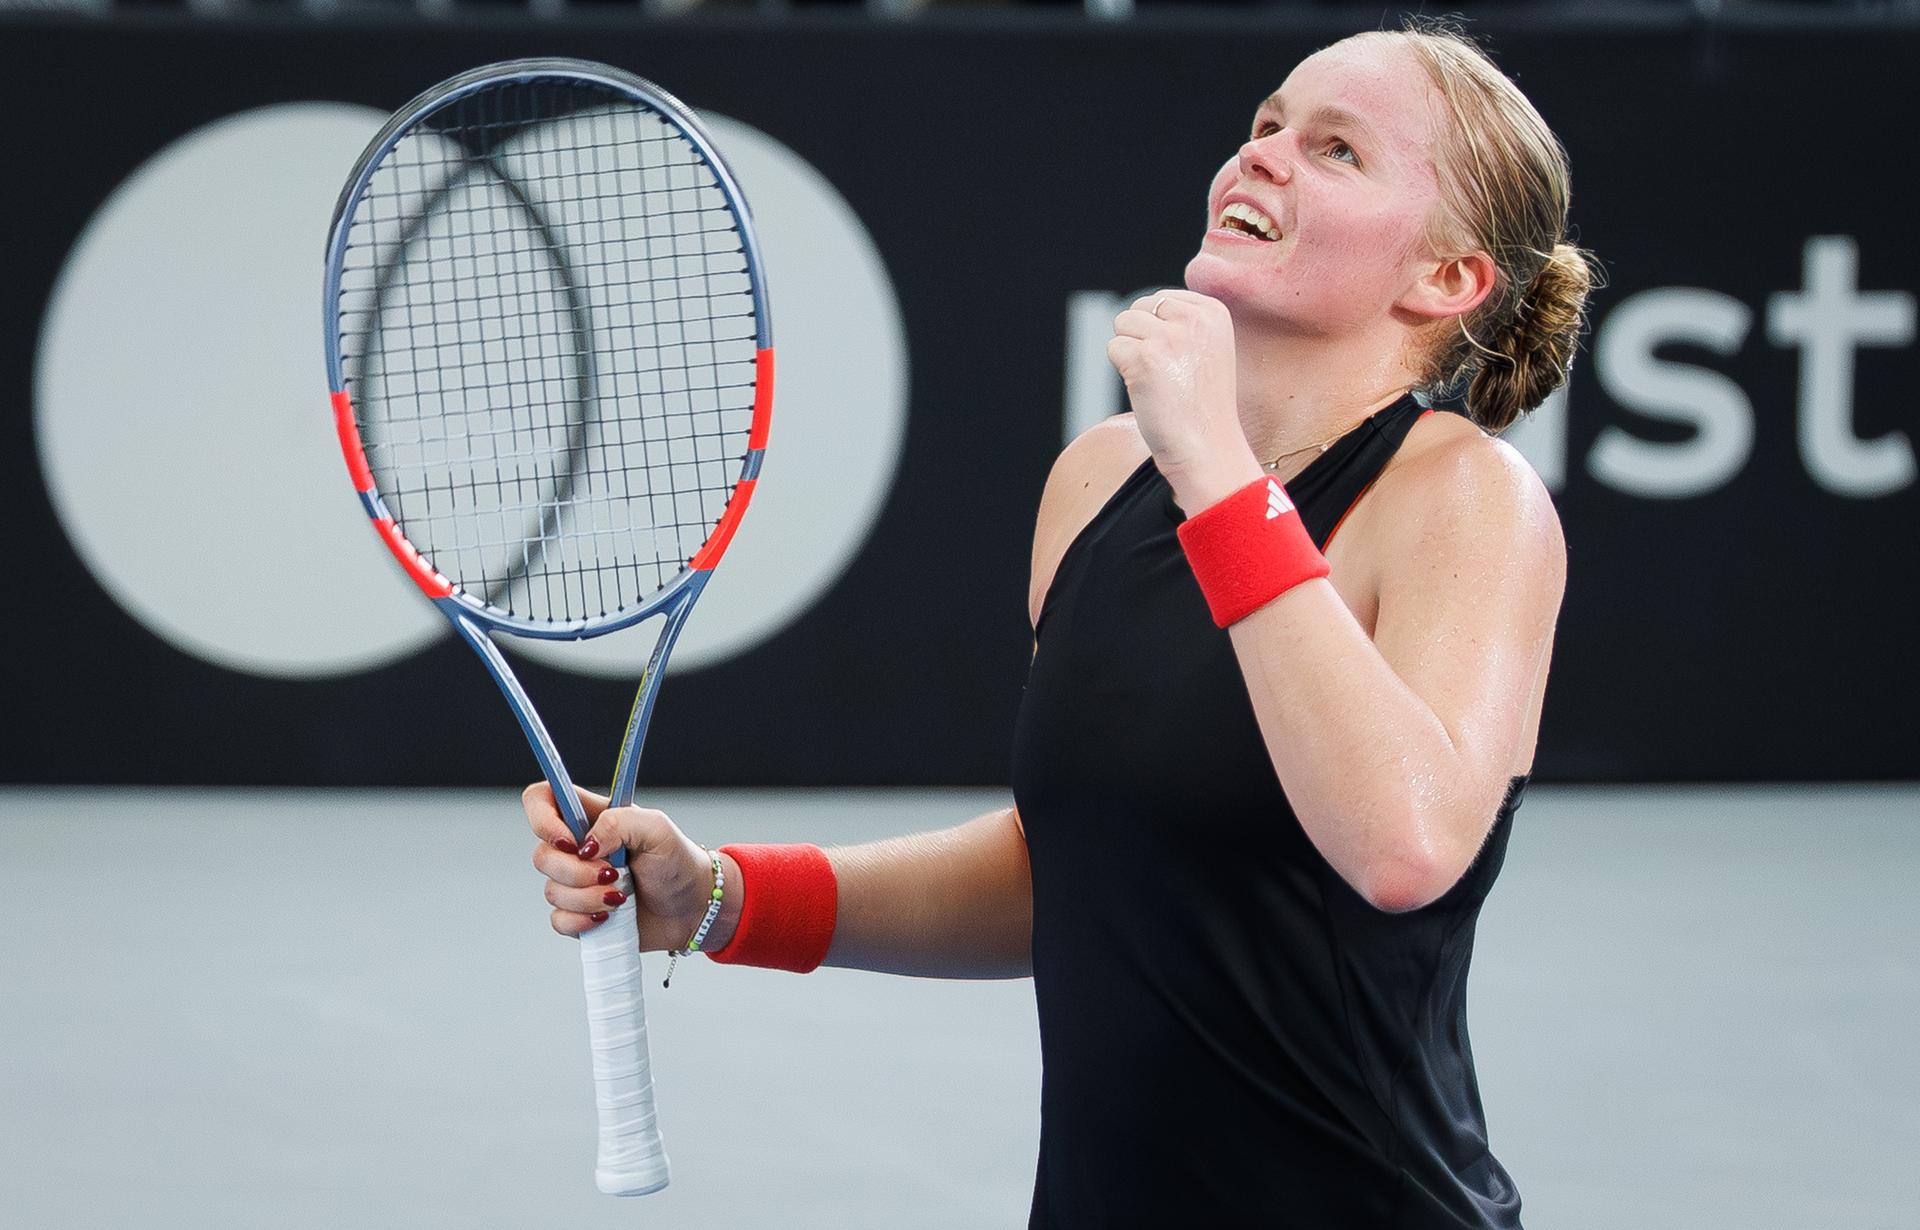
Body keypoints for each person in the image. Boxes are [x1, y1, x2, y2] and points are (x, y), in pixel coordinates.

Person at [525, 18, 1594, 1228]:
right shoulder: (1099, 480)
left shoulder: (1464, 497)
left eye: (1338, 150)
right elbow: (1070, 869)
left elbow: (1404, 851)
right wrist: (719, 897)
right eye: (1266, 124)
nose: (1266, 156)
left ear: (1444, 280)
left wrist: (1215, 467)